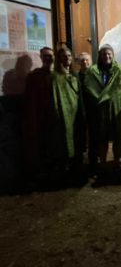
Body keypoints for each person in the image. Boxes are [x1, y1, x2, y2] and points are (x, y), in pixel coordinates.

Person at [83, 44, 121, 176]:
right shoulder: (93, 71)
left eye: (109, 54)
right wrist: (103, 99)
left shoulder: (120, 71)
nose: (107, 56)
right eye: (104, 54)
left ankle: (116, 162)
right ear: (100, 56)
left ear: (113, 55)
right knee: (102, 138)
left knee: (117, 137)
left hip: (116, 109)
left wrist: (107, 97)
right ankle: (102, 163)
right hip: (100, 110)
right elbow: (90, 87)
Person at [50, 47, 85, 180]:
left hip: (76, 114)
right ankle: (65, 173)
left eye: (69, 55)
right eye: (64, 56)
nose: (67, 58)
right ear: (59, 59)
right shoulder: (55, 77)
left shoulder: (75, 75)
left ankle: (77, 171)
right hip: (64, 115)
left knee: (77, 141)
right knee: (65, 142)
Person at [23, 46, 54, 178]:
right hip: (41, 115)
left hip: (55, 115)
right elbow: (30, 99)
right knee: (42, 143)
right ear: (41, 57)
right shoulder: (34, 76)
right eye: (45, 55)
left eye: (50, 55)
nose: (48, 58)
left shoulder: (57, 75)